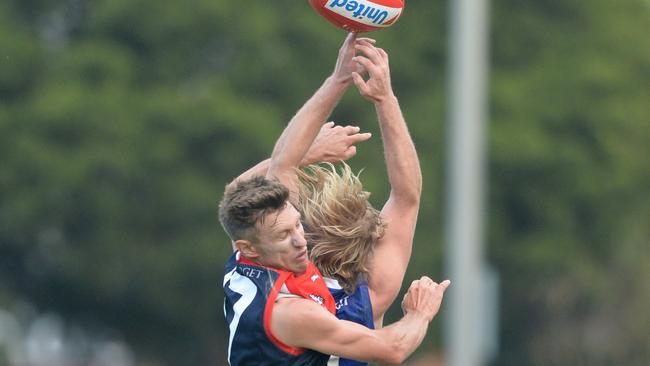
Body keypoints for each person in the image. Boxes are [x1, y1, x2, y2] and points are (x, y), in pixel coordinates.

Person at [220, 33, 450, 365]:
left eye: (297, 226)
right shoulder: (339, 303)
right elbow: (406, 199)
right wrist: (419, 314)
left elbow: (264, 175)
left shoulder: (250, 260)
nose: (298, 240)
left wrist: (341, 79)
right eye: (287, 234)